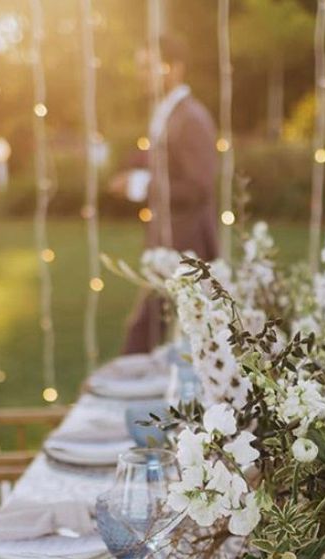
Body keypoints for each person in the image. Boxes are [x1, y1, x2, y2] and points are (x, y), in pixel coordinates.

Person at [110, 32, 220, 353]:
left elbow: (199, 187)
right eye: (140, 67)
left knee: (165, 336)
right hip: (166, 243)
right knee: (163, 335)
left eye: (148, 67)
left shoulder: (192, 119)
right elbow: (162, 163)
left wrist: (139, 185)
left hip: (188, 248)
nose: (141, 75)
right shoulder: (167, 114)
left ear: (174, 68)